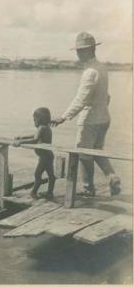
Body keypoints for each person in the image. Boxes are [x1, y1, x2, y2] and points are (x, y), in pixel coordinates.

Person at [51, 32, 120, 196]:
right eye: (77, 51)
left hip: (90, 120)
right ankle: (113, 177)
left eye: (80, 51)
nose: (78, 54)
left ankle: (88, 189)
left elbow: (81, 99)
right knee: (97, 150)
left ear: (90, 50)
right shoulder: (102, 67)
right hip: (104, 117)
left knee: (84, 154)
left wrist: (64, 116)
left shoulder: (90, 72)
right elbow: (106, 95)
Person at [14, 107, 56, 199]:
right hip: (48, 155)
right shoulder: (46, 127)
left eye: (34, 120)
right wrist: (22, 137)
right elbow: (34, 135)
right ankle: (50, 193)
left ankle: (33, 193)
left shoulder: (41, 128)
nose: (34, 122)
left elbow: (35, 139)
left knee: (37, 174)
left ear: (39, 120)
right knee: (51, 176)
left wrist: (20, 142)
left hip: (44, 157)